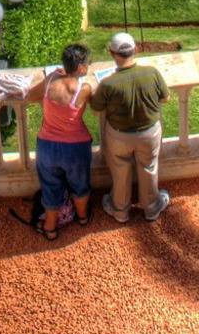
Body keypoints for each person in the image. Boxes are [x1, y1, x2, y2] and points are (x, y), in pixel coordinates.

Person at [89, 31, 169, 223]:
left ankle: (120, 211)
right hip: (149, 133)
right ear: (136, 50)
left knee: (119, 170)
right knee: (149, 167)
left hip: (119, 136)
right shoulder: (152, 72)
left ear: (111, 53)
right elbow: (166, 98)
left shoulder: (107, 84)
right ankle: (151, 209)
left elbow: (95, 109)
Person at [26, 43, 97, 240]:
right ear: (81, 68)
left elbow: (31, 95)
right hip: (76, 147)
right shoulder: (84, 88)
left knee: (50, 186)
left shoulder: (50, 80)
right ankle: (82, 217)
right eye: (88, 64)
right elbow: (98, 106)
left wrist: (53, 76)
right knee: (80, 184)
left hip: (47, 146)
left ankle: (50, 228)